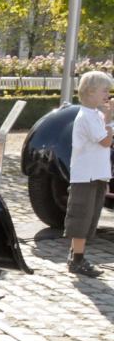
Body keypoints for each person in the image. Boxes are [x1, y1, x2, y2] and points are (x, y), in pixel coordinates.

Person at [64, 71, 113, 277]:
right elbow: (106, 140)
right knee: (81, 216)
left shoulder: (97, 115)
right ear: (91, 92)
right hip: (86, 175)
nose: (108, 95)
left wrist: (108, 118)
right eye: (104, 90)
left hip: (97, 174)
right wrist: (110, 122)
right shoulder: (87, 116)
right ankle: (78, 260)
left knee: (91, 215)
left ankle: (76, 254)